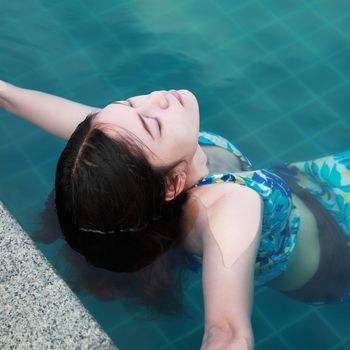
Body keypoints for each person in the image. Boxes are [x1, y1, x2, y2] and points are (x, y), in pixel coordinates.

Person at [1, 80, 349, 350]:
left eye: (130, 103)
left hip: (313, 184)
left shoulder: (130, 150)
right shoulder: (228, 209)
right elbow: (226, 332)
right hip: (340, 252)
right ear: (173, 184)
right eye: (152, 122)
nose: (155, 98)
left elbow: (17, 99)